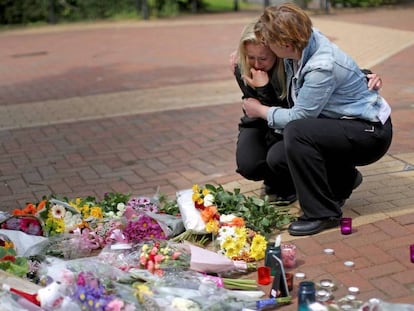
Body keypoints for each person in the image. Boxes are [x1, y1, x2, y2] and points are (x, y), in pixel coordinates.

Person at [241, 3, 392, 236]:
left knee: (298, 131)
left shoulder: (320, 66)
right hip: (345, 123)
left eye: (270, 42)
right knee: (281, 156)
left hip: (369, 133)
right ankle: (343, 182)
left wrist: (261, 111)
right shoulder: (302, 41)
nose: (266, 44)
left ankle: (322, 213)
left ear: (286, 45)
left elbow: (300, 116)